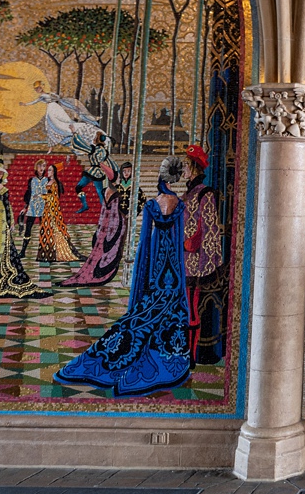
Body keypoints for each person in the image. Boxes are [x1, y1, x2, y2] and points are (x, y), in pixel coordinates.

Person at [55, 156, 192, 395]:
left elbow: (144, 241)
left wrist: (143, 269)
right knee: (169, 304)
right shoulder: (179, 204)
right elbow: (180, 237)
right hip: (173, 262)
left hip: (155, 257)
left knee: (145, 308)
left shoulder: (152, 204)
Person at [180, 144, 224, 364]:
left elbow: (208, 227)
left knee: (192, 310)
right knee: (185, 307)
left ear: (193, 167)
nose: (183, 170)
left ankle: (191, 355)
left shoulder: (205, 193)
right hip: (184, 259)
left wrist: (193, 247)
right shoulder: (187, 193)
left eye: (186, 166)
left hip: (195, 262)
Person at [0, 162, 47, 300]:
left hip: (1, 224)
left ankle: (1, 283)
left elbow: (7, 207)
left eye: (1, 173)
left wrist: (11, 222)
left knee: (6, 252)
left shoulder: (5, 190)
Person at [61, 161, 131, 287]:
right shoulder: (117, 192)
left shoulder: (106, 191)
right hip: (114, 224)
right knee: (110, 250)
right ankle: (102, 273)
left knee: (102, 250)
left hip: (105, 224)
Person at [36, 163, 76, 263]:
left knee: (52, 229)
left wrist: (41, 196)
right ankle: (46, 253)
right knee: (46, 229)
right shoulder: (49, 182)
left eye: (49, 170)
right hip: (47, 209)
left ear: (54, 172)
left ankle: (54, 253)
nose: (47, 172)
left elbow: (53, 197)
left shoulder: (54, 183)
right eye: (48, 170)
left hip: (52, 210)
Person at [75, 130, 111, 213]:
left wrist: (75, 133)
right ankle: (103, 208)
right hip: (96, 171)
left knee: (80, 187)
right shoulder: (105, 151)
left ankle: (86, 205)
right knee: (99, 191)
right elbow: (100, 162)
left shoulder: (94, 148)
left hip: (93, 171)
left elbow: (81, 145)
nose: (93, 139)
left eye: (95, 137)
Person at [19, 158, 48, 256]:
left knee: (44, 230)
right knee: (28, 229)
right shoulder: (32, 180)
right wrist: (25, 207)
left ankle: (44, 251)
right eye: (40, 166)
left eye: (44, 166)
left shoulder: (47, 180)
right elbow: (29, 194)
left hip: (43, 207)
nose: (42, 168)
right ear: (36, 167)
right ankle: (23, 251)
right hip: (32, 207)